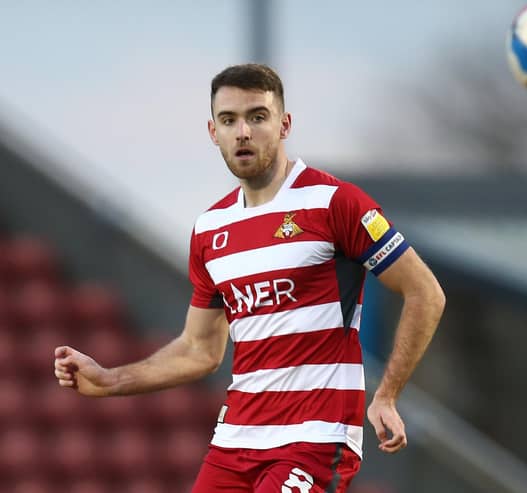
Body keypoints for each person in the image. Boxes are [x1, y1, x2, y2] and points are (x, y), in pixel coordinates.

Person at [54, 63, 446, 492]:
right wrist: (110, 379)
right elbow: (200, 351)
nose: (243, 131)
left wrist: (387, 393)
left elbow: (425, 292)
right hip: (235, 441)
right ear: (213, 131)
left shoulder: (334, 202)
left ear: (284, 124)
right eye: (229, 120)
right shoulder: (210, 229)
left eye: (257, 117)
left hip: (314, 439)